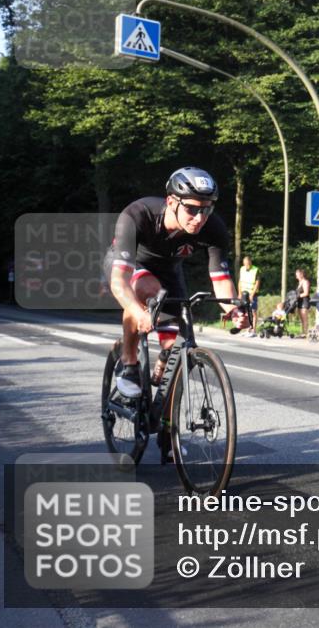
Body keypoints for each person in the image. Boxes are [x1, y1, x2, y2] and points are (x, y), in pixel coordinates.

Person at [104, 167, 246, 452]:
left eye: (207, 210)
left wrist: (232, 310)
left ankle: (168, 428)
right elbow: (120, 282)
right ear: (171, 202)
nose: (200, 218)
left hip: (169, 274)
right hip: (131, 267)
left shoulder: (213, 227)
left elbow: (220, 279)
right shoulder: (138, 214)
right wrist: (138, 311)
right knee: (148, 291)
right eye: (192, 209)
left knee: (177, 351)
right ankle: (130, 364)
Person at [238, 255, 261, 337]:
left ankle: (254, 330)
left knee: (253, 312)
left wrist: (252, 294)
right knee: (246, 312)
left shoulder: (256, 270)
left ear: (250, 262)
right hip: (244, 293)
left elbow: (257, 283)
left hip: (252, 294)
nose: (246, 266)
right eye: (245, 264)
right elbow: (240, 281)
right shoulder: (242, 269)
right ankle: (247, 329)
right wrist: (239, 293)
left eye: (247, 264)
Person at [295, 268, 311, 338]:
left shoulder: (305, 282)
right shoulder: (299, 282)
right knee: (301, 318)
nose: (296, 276)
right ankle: (303, 332)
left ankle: (305, 333)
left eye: (297, 274)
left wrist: (298, 296)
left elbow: (306, 293)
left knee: (304, 318)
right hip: (299, 302)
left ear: (301, 274)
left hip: (304, 301)